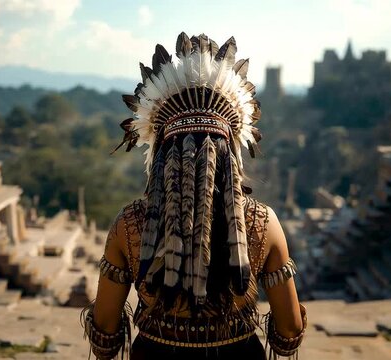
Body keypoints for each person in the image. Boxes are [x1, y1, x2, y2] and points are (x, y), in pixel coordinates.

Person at [82, 32, 307, 360]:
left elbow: (105, 339)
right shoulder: (263, 223)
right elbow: (288, 337)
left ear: (160, 153)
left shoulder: (128, 225)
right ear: (231, 150)